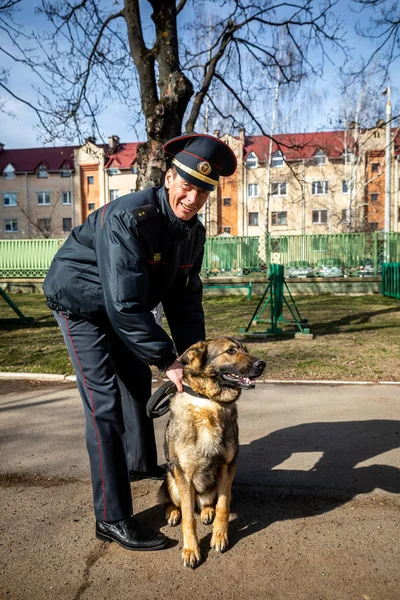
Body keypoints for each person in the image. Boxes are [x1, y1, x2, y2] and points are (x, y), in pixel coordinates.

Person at [43, 133, 237, 551]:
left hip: (120, 306)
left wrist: (193, 361)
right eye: (187, 185)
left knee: (135, 382)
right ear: (169, 178)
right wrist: (169, 359)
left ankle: (137, 466)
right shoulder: (130, 217)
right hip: (78, 301)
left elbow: (185, 303)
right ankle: (111, 517)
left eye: (203, 191)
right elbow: (125, 305)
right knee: (104, 406)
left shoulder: (192, 233)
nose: (193, 197)